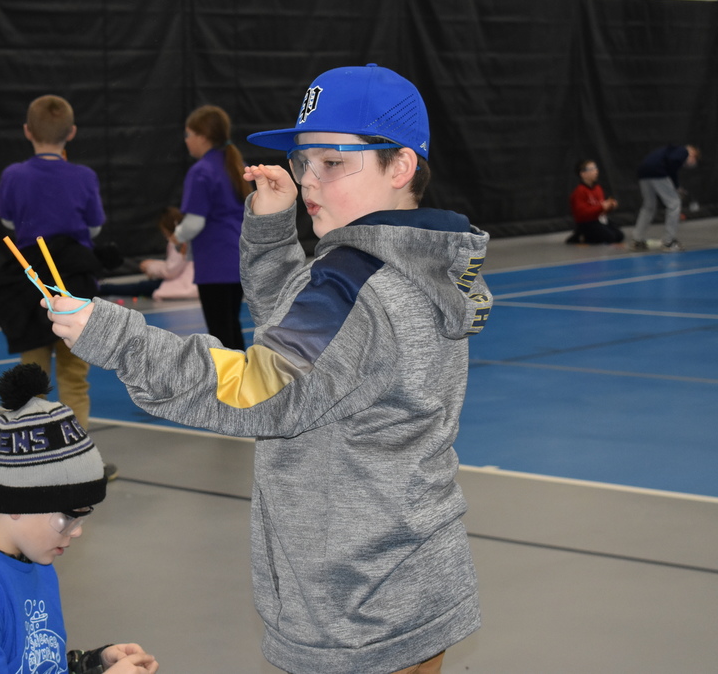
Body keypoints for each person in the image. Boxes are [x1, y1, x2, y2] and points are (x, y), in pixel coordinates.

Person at [44, 64, 491, 674]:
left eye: (333, 163)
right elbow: (308, 340)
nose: (309, 179)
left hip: (355, 604)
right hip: (410, 576)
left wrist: (116, 336)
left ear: (402, 166)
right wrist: (273, 228)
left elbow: (259, 386)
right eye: (304, 161)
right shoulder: (413, 265)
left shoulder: (355, 283)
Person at [0, 364, 159, 674]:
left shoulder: (32, 559)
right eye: (67, 518)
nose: (76, 533)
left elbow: (30, 665)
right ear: (16, 504)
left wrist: (91, 664)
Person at [0, 94, 107, 432]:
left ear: (27, 131)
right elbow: (95, 227)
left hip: (31, 284)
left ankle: (30, 449)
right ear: (72, 132)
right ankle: (78, 450)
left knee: (32, 377)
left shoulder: (13, 175)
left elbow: (9, 222)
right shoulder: (83, 176)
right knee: (75, 377)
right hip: (74, 285)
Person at [173, 105, 250, 350]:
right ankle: (244, 380)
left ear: (202, 136)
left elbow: (195, 221)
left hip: (215, 262)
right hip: (238, 257)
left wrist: (177, 236)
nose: (186, 141)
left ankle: (229, 385)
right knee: (232, 325)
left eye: (187, 135)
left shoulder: (201, 172)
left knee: (219, 331)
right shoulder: (235, 165)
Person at [98, 207, 198, 301]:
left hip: (182, 284)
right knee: (142, 286)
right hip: (186, 282)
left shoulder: (178, 240)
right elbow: (176, 265)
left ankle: (101, 288)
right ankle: (101, 287)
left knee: (140, 287)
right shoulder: (188, 238)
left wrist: (150, 266)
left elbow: (171, 271)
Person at [631, 144, 699, 252]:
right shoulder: (683, 152)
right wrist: (676, 188)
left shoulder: (671, 151)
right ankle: (668, 242)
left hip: (643, 172)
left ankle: (637, 240)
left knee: (649, 206)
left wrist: (676, 187)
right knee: (674, 204)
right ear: (692, 154)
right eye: (694, 158)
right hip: (657, 171)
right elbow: (672, 166)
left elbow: (672, 170)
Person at [566, 159, 623, 244]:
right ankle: (581, 235)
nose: (596, 171)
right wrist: (601, 207)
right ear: (583, 174)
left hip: (599, 220)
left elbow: (601, 209)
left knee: (619, 236)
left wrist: (610, 206)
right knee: (610, 237)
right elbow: (582, 214)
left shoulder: (598, 188)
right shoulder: (579, 191)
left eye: (596, 168)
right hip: (587, 223)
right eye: (591, 169)